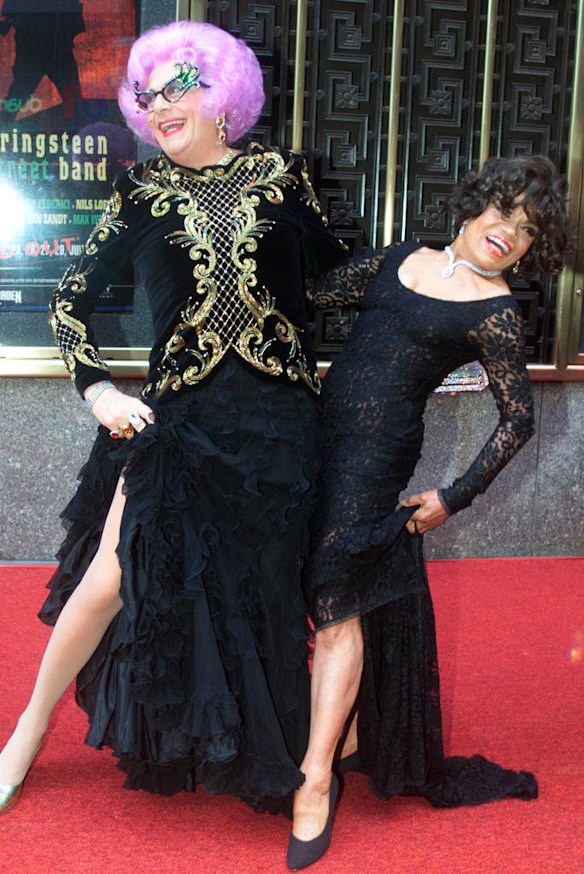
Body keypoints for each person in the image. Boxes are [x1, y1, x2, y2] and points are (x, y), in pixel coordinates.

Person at [0, 20, 354, 818]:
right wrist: (100, 392)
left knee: (266, 586)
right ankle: (25, 730)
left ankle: (263, 746)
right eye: (143, 92)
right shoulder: (139, 192)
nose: (156, 104)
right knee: (108, 579)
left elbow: (332, 285)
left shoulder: (284, 178)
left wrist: (435, 282)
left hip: (279, 421)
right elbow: (70, 305)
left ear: (221, 90)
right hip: (180, 418)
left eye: (176, 85)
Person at [286, 155, 570, 870]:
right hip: (309, 438)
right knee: (303, 590)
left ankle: (315, 780)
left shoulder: (496, 311)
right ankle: (342, 740)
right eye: (504, 211)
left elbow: (518, 420)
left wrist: (453, 495)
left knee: (338, 600)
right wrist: (290, 220)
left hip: (374, 464)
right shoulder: (403, 256)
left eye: (529, 231)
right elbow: (317, 290)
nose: (510, 233)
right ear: (475, 205)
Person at [0, 1, 85, 119]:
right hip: (41, 48)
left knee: (20, 91)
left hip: (46, 47)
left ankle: (6, 120)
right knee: (20, 91)